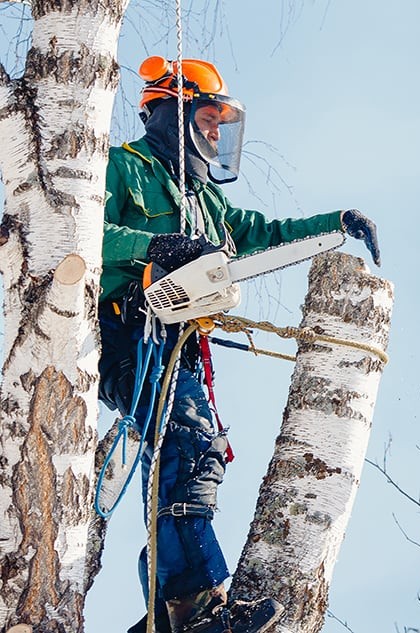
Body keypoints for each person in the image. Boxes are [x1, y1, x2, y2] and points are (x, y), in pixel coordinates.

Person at [98, 56, 380, 633]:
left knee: (198, 456)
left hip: (179, 341)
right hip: (130, 333)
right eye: (205, 116)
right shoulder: (122, 168)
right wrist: (155, 247)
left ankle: (169, 613)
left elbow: (262, 236)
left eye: (219, 123)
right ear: (170, 111)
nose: (212, 132)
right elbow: (83, 233)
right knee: (186, 448)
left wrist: (337, 223)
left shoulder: (205, 200)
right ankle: (193, 605)